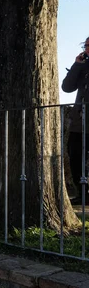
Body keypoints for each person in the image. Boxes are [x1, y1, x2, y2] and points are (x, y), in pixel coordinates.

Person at [62, 37, 89, 203]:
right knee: (75, 155)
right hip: (80, 121)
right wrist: (77, 65)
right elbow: (67, 87)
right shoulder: (82, 65)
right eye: (85, 45)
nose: (86, 48)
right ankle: (83, 193)